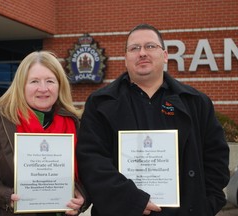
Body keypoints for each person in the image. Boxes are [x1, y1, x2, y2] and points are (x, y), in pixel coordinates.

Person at [76, 23, 230, 216]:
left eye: (150, 46)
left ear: (165, 55)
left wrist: (206, 205)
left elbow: (216, 158)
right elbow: (92, 161)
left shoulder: (196, 103)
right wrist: (131, 200)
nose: (142, 53)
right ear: (125, 58)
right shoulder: (100, 104)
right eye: (134, 48)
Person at [0, 51, 88, 216]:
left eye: (50, 81)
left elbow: (91, 172)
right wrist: (5, 196)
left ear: (60, 85)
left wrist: (82, 197)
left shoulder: (75, 123)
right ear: (21, 85)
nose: (43, 88)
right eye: (34, 81)